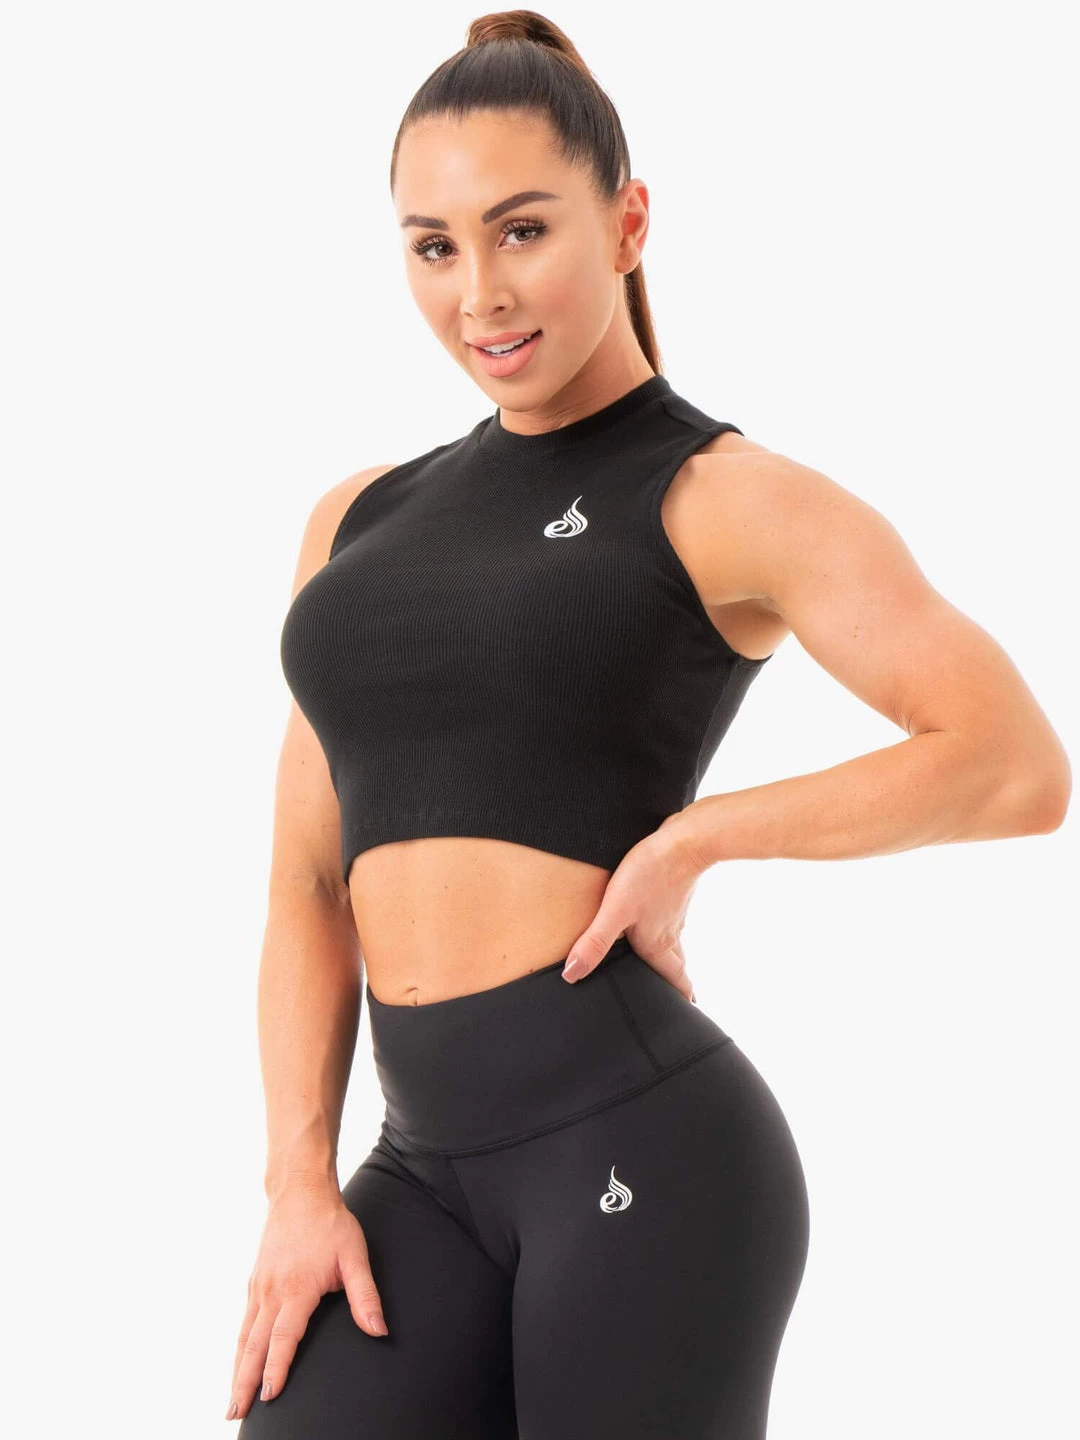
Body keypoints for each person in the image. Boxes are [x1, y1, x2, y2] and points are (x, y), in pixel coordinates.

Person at [227, 11, 1071, 1437]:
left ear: (626, 223)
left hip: (643, 1152)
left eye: (522, 230)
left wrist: (699, 840)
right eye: (434, 246)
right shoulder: (354, 523)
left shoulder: (719, 496)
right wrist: (297, 1184)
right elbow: (307, 882)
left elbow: (1013, 763)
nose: (480, 293)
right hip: (416, 1172)